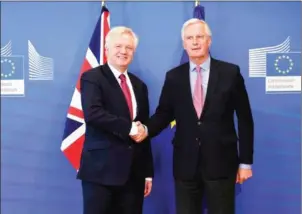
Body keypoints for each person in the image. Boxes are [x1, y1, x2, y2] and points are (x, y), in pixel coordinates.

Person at [134, 18, 254, 214]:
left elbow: (245, 119)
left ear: (209, 41)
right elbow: (164, 114)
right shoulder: (174, 77)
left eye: (200, 37)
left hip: (222, 163)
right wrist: (146, 129)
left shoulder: (230, 73)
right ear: (184, 43)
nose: (195, 42)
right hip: (185, 164)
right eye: (190, 38)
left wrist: (245, 162)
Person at [77, 26, 154, 214]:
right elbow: (93, 114)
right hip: (101, 171)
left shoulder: (139, 86)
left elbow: (142, 130)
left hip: (133, 174)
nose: (123, 51)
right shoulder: (92, 77)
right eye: (118, 46)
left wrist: (147, 173)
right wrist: (129, 128)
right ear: (106, 49)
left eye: (129, 48)